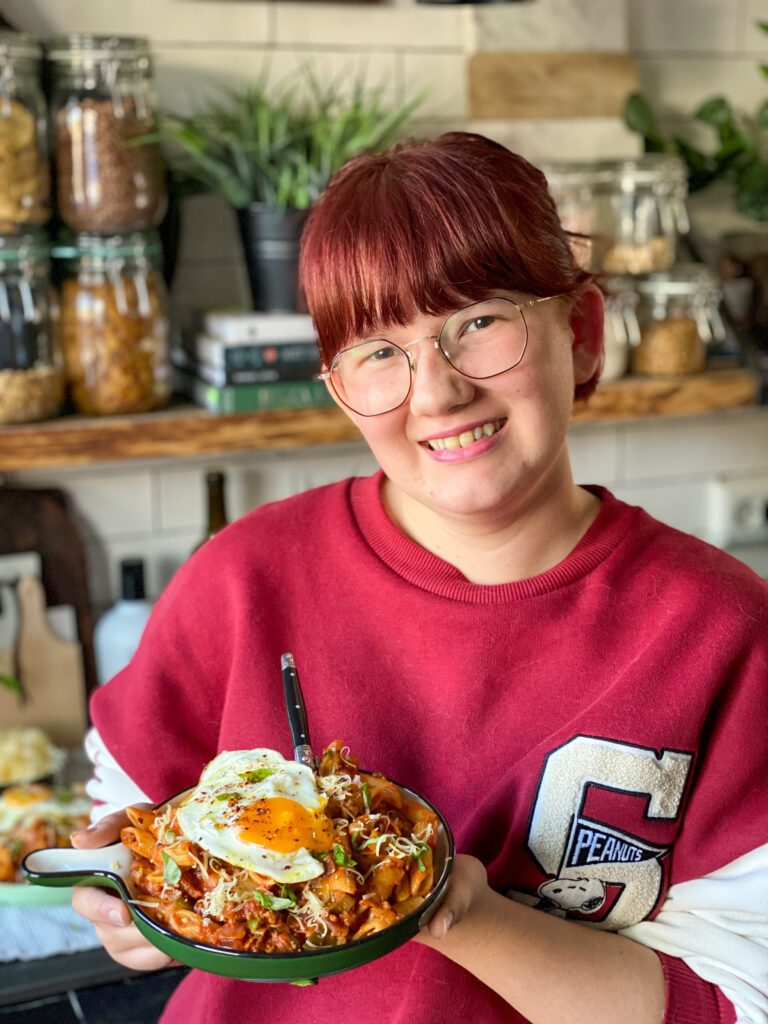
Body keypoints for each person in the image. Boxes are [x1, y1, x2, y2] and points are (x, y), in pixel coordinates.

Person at [71, 132, 768, 1024]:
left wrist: (461, 914)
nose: (436, 394)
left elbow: (730, 1000)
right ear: (339, 390)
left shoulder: (722, 631)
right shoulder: (244, 575)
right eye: (377, 351)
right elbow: (128, 826)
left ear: (584, 333)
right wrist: (125, 906)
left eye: (478, 322)